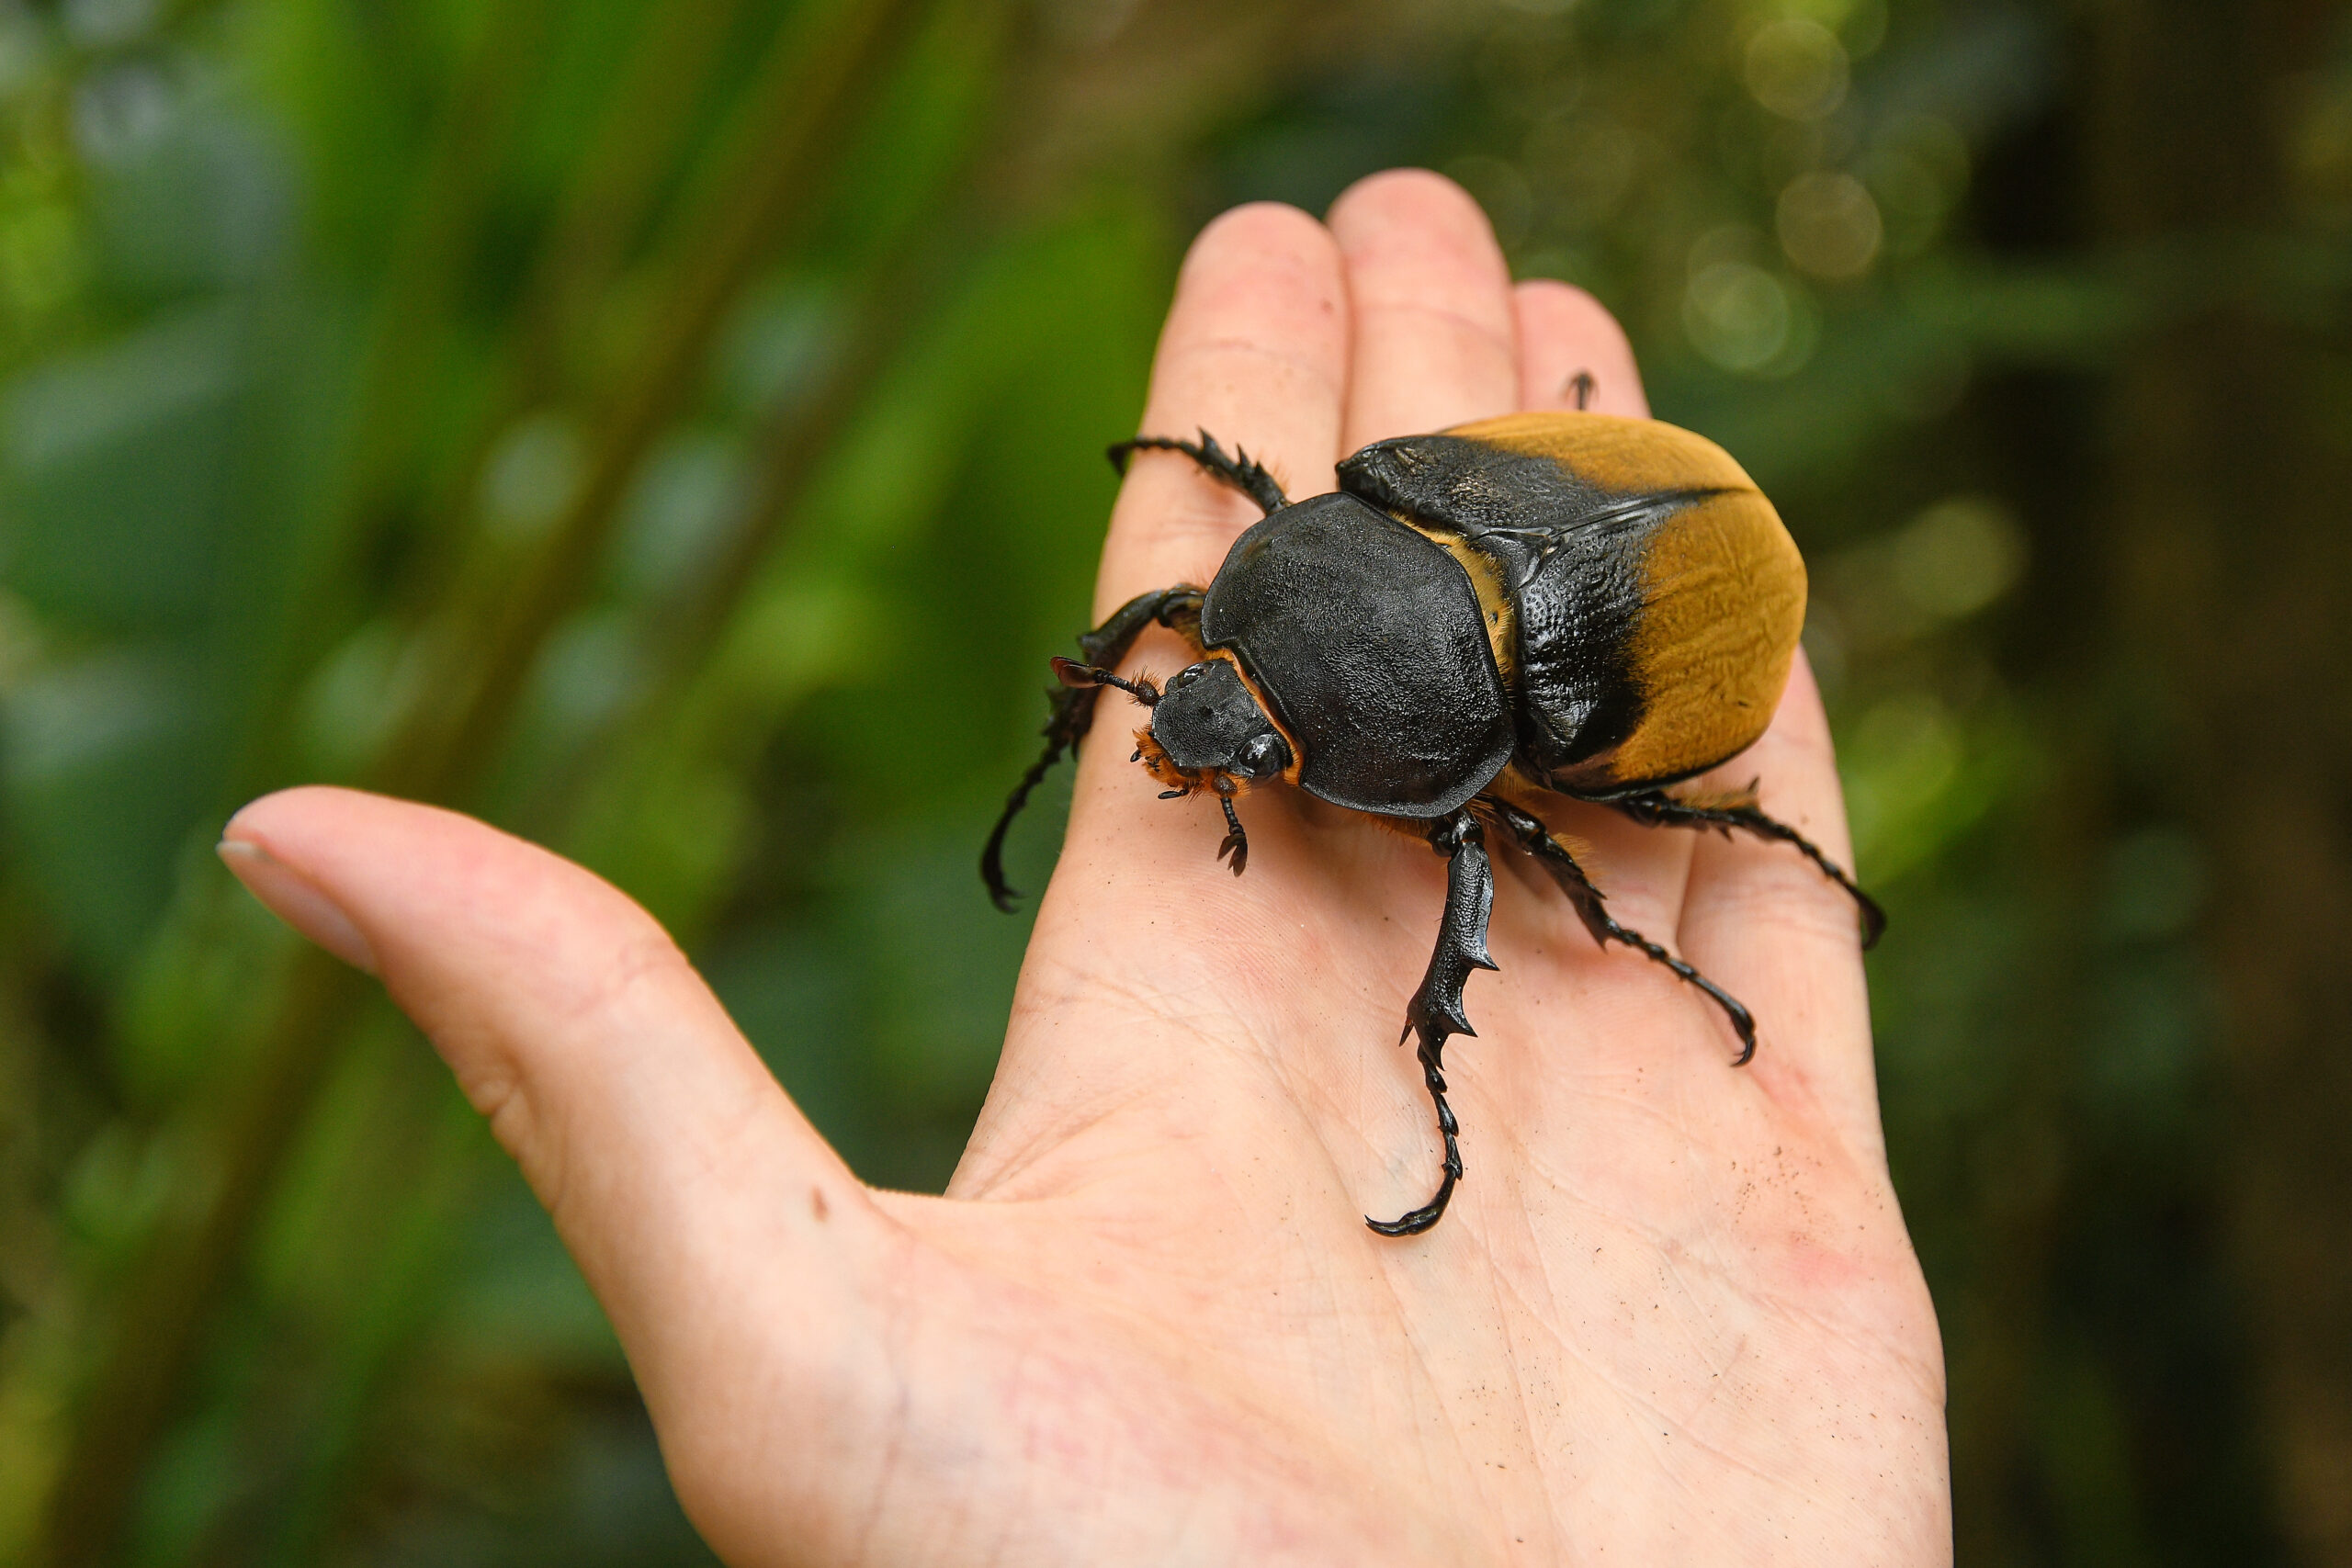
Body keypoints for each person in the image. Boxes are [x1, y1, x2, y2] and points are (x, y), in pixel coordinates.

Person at [216, 170, 1950, 1565]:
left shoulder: (1470, 742)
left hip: (1649, 599)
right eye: (1220, 696)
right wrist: (1090, 709)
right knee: (1465, 784)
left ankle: (1591, 948)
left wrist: (1436, 1062)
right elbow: (1177, 620)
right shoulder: (1322, 549)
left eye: (1249, 736)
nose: (1197, 722)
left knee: (1596, 830)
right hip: (1527, 519)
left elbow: (1476, 863)